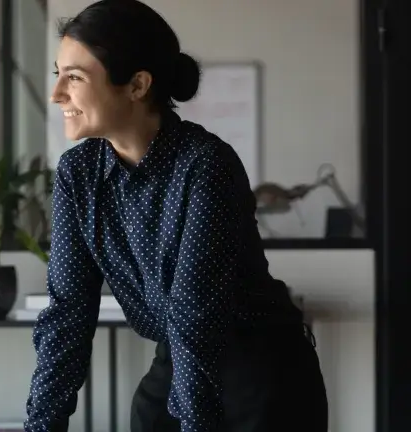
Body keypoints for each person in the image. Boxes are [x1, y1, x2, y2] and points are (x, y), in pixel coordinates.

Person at [23, 1, 328, 431]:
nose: (57, 94)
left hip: (259, 370)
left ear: (137, 85)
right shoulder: (78, 174)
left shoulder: (206, 165)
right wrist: (42, 425)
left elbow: (194, 314)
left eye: (75, 77)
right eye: (59, 74)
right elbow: (68, 313)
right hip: (175, 356)